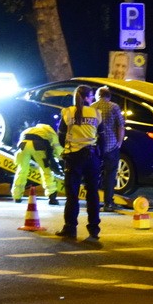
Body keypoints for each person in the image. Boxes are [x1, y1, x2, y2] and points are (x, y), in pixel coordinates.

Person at [56, 85, 102, 241]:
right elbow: (101, 137)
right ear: (88, 97)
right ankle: (94, 231)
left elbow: (61, 136)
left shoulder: (68, 112)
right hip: (92, 157)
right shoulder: (96, 113)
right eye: (92, 96)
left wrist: (70, 146)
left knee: (72, 195)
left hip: (73, 157)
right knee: (92, 194)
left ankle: (70, 228)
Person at [92, 86, 126, 213]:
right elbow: (121, 126)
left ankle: (93, 202)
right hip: (111, 146)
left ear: (98, 95)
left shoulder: (92, 107)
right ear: (109, 96)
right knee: (110, 174)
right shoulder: (114, 107)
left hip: (95, 146)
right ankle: (108, 203)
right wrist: (119, 142)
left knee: (94, 174)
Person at [11, 123, 63, 205]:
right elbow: (57, 147)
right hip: (38, 145)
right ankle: (52, 196)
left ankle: (16, 196)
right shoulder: (50, 131)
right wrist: (62, 160)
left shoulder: (29, 129)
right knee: (46, 170)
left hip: (23, 146)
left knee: (21, 170)